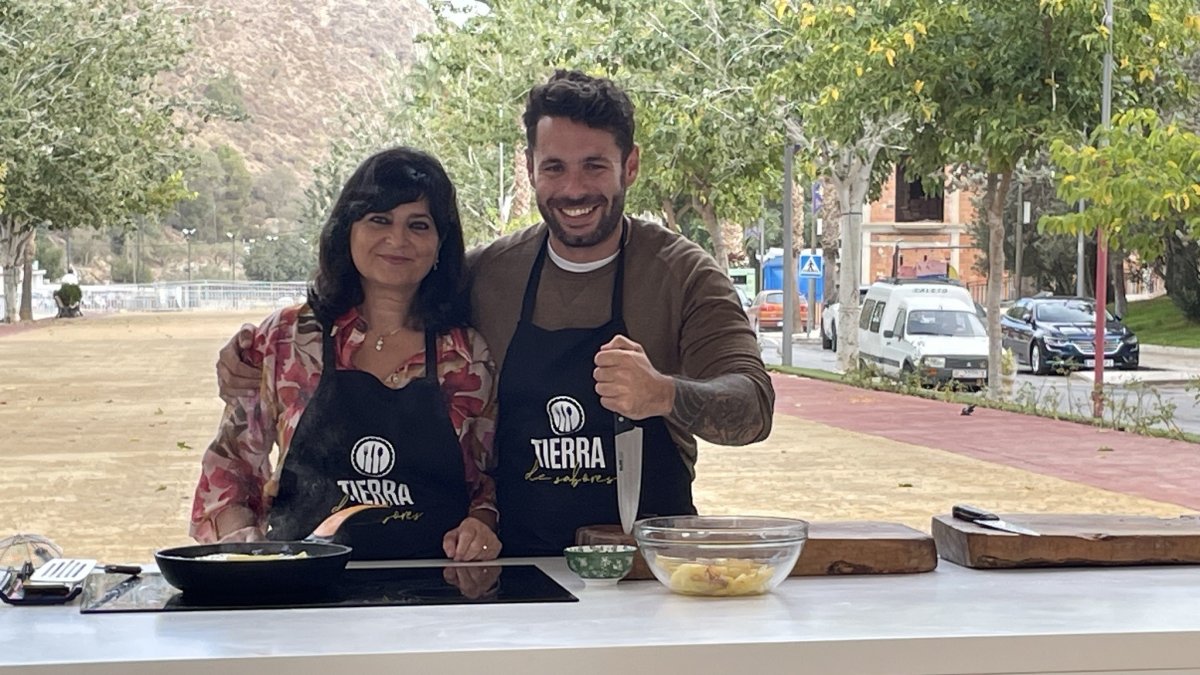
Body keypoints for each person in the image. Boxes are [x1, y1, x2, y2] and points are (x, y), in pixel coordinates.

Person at [217, 71, 774, 556]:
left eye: (594, 166)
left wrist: (664, 394)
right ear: (529, 168)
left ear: (630, 165)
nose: (573, 188)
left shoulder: (682, 274)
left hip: (639, 568)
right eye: (554, 167)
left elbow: (753, 407)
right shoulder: (485, 273)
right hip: (506, 569)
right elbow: (380, 294)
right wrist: (253, 358)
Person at [192, 146, 501, 561]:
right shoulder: (284, 339)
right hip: (302, 595)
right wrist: (241, 538)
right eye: (379, 220)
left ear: (441, 244)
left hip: (433, 592)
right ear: (346, 230)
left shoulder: (466, 356)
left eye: (419, 224)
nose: (398, 239)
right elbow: (229, 467)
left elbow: (485, 483)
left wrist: (480, 524)